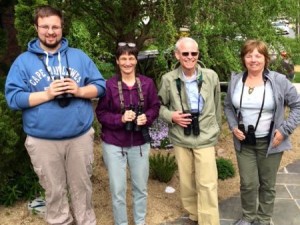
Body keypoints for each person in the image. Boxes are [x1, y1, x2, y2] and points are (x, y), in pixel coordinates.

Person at [5, 5, 106, 225]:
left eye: (55, 27)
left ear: (62, 28)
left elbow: (100, 86)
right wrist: (47, 94)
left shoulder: (78, 56)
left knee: (83, 188)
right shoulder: (23, 62)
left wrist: (79, 91)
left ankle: (86, 222)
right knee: (54, 191)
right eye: (45, 27)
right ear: (36, 28)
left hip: (79, 137)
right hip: (43, 141)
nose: (50, 32)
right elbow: (13, 99)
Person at [224, 39, 300, 225]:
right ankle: (248, 217)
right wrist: (234, 126)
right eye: (249, 55)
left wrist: (284, 130)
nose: (253, 59)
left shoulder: (278, 81)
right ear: (243, 59)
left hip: (271, 142)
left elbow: (297, 105)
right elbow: (227, 107)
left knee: (267, 184)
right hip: (245, 142)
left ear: (266, 59)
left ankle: (264, 219)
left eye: (258, 55)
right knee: (248, 184)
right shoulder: (236, 80)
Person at [158, 37, 222, 225]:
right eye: (185, 53)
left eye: (194, 53)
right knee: (186, 182)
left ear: (198, 54)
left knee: (208, 183)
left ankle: (209, 221)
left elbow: (217, 105)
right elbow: (158, 106)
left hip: (205, 136)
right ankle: (195, 213)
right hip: (181, 136)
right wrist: (172, 116)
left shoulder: (211, 76)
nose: (190, 57)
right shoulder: (168, 79)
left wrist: (216, 129)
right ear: (177, 55)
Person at [95, 42, 160, 225]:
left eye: (131, 58)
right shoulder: (108, 85)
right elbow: (101, 113)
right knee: (118, 190)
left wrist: (146, 117)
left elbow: (155, 107)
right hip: (114, 144)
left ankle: (140, 222)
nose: (127, 62)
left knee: (140, 188)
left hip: (139, 143)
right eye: (123, 58)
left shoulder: (147, 84)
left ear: (136, 60)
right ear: (117, 61)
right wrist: (121, 119)